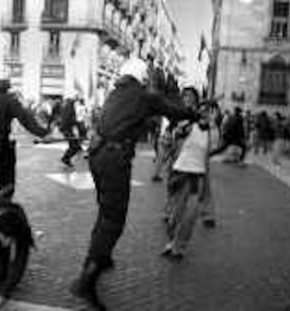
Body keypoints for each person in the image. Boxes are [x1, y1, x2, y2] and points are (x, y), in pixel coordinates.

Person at [70, 57, 198, 309]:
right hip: (114, 159)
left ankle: (101, 258)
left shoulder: (114, 93)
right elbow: (173, 110)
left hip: (97, 157)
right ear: (140, 77)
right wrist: (193, 112)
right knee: (113, 220)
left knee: (105, 212)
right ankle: (87, 280)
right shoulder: (142, 95)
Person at [162, 101, 212, 259]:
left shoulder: (211, 132)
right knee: (175, 215)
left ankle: (180, 247)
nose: (206, 114)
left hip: (197, 177)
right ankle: (171, 242)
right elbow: (174, 138)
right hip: (180, 173)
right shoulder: (189, 126)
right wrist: (183, 127)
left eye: (209, 112)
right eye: (203, 111)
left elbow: (207, 158)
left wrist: (206, 185)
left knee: (190, 216)